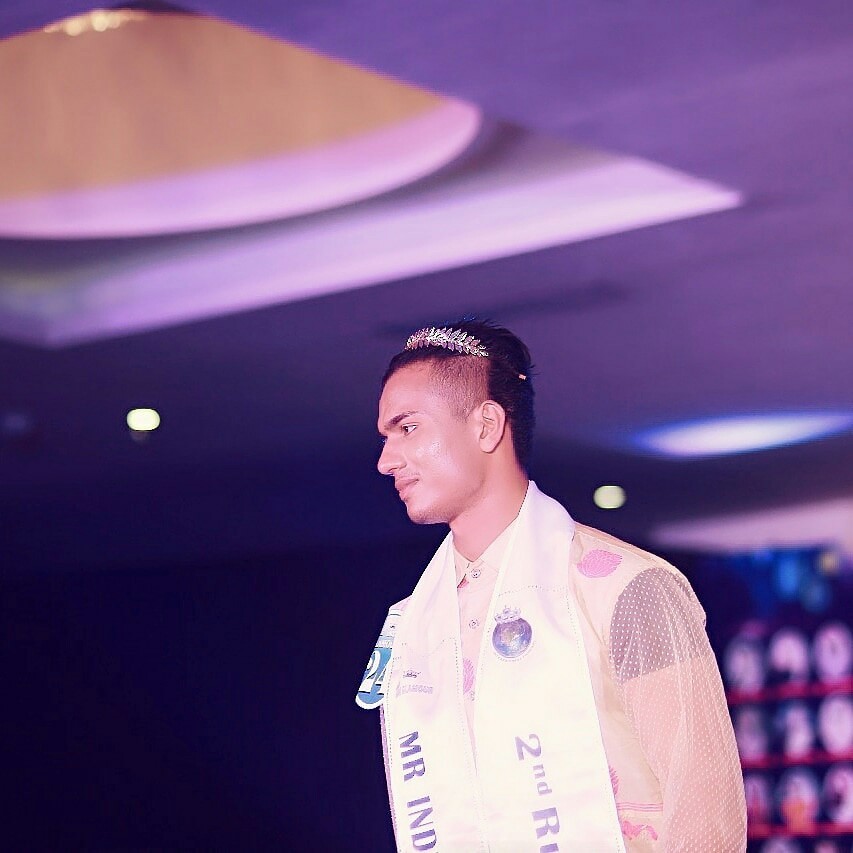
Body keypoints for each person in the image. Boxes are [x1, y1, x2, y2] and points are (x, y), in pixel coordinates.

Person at [356, 320, 747, 851]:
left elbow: (708, 817)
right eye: (386, 438)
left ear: (486, 426)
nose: (386, 460)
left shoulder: (625, 588)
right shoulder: (417, 622)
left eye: (407, 428)